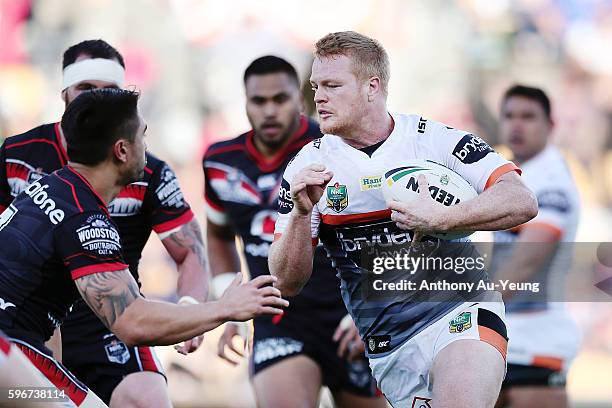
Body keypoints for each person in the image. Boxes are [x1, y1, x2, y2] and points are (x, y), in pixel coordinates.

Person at [269, 31, 538, 408]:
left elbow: (521, 199)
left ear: (371, 87)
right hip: (389, 346)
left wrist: (443, 219)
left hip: (460, 310)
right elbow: (284, 282)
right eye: (316, 86)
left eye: (332, 85)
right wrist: (300, 214)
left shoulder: (434, 141)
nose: (319, 97)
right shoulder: (307, 167)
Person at [0, 88, 288, 407]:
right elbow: (132, 322)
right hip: (8, 351)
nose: (146, 148)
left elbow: (37, 310)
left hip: (14, 351)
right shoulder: (84, 218)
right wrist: (225, 308)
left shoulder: (50, 185)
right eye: (143, 136)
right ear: (122, 150)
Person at [0, 39, 207, 407]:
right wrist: (226, 308)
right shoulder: (24, 159)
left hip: (100, 323)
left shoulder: (148, 172)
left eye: (107, 91)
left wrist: (190, 306)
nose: (93, 100)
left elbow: (190, 251)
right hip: (31, 330)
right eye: (85, 89)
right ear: (64, 92)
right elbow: (132, 320)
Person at [203, 55, 384, 408]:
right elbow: (219, 234)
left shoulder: (340, 146)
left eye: (280, 99)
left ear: (300, 101)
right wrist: (228, 297)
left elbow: (385, 231)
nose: (269, 111)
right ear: (245, 103)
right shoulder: (220, 161)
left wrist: (372, 307)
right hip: (278, 317)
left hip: (347, 317)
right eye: (258, 101)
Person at [492, 85, 580, 408]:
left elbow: (524, 264)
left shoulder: (553, 183)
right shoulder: (508, 176)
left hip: (537, 340)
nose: (517, 125)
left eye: (528, 117)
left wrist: (465, 309)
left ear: (551, 126)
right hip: (500, 335)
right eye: (509, 116)